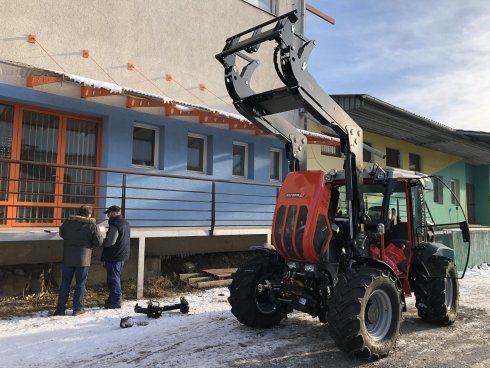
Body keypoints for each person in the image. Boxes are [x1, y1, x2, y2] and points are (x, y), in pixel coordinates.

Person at [54, 205, 103, 316]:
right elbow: (98, 242)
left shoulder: (68, 222)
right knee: (80, 283)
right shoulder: (92, 226)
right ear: (89, 214)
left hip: (68, 257)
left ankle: (60, 309)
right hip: (83, 259)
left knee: (65, 283)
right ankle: (78, 308)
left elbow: (62, 233)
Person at [101, 205, 131, 309]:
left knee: (113, 278)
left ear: (114, 213)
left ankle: (116, 301)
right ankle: (112, 298)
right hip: (121, 254)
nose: (108, 216)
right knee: (114, 277)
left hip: (114, 255)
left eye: (109, 213)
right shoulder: (125, 223)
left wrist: (101, 242)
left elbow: (110, 241)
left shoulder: (115, 225)